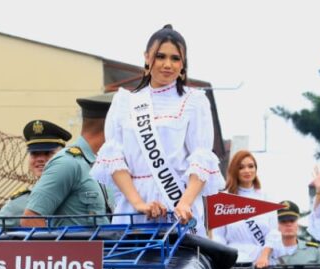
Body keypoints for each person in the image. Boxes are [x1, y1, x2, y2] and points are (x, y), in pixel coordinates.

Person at [91, 24, 223, 231]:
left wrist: (184, 203)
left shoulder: (194, 101)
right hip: (133, 206)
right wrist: (139, 204)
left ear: (183, 63)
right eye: (160, 56)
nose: (167, 64)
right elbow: (116, 159)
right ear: (146, 56)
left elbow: (201, 158)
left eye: (175, 58)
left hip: (179, 206)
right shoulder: (125, 102)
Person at [17, 94, 114, 228]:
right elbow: (31, 220)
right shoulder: (68, 163)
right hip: (80, 249)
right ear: (110, 125)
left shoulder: (98, 162)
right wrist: (60, 249)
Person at [211, 150, 279, 267]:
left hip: (263, 264)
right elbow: (218, 237)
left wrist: (264, 256)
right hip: (235, 264)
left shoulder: (266, 198)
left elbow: (273, 233)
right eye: (241, 167)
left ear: (256, 169)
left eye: (251, 166)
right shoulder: (223, 200)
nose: (247, 171)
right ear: (234, 170)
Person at [0, 119, 72, 223]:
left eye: (48, 153)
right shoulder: (21, 201)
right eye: (34, 153)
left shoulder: (78, 193)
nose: (40, 159)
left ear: (63, 155)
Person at [273, 201, 320, 265]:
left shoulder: (314, 250)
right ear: (276, 225)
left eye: (292, 221)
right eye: (283, 221)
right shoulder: (268, 252)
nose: (288, 224)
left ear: (297, 223)